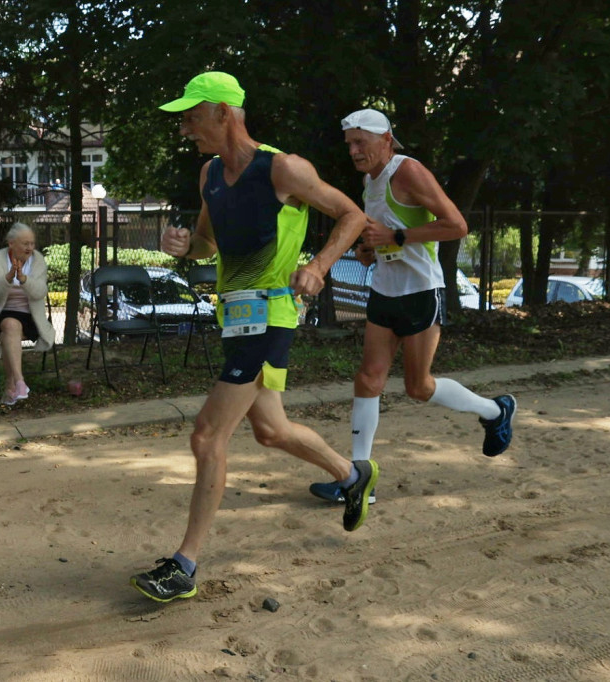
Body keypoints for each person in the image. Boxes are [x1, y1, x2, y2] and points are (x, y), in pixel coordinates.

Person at [129, 72, 378, 604]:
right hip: (236, 315)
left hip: (272, 313)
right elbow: (206, 245)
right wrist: (182, 247)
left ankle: (184, 564)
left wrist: (320, 264)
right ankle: (350, 473)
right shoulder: (209, 175)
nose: (184, 128)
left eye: (191, 116)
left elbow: (353, 215)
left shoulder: (283, 168)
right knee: (270, 429)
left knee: (206, 434)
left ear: (223, 112)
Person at [307, 109, 516, 504]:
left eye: (360, 143)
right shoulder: (369, 180)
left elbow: (456, 225)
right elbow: (382, 236)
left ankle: (494, 411)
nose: (353, 151)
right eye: (349, 144)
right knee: (368, 379)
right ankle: (357, 480)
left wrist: (397, 236)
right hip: (385, 290)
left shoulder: (409, 171)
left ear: (386, 139)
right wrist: (369, 249)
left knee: (418, 388)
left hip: (421, 291)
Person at [0, 222, 55, 405]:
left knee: (9, 333)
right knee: (9, 325)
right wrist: (8, 277)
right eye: (25, 243)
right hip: (5, 311)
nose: (30, 248)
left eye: (32, 243)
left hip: (32, 316)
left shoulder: (38, 260)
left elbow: (40, 292)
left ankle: (11, 385)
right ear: (11, 243)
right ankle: (20, 381)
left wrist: (24, 279)